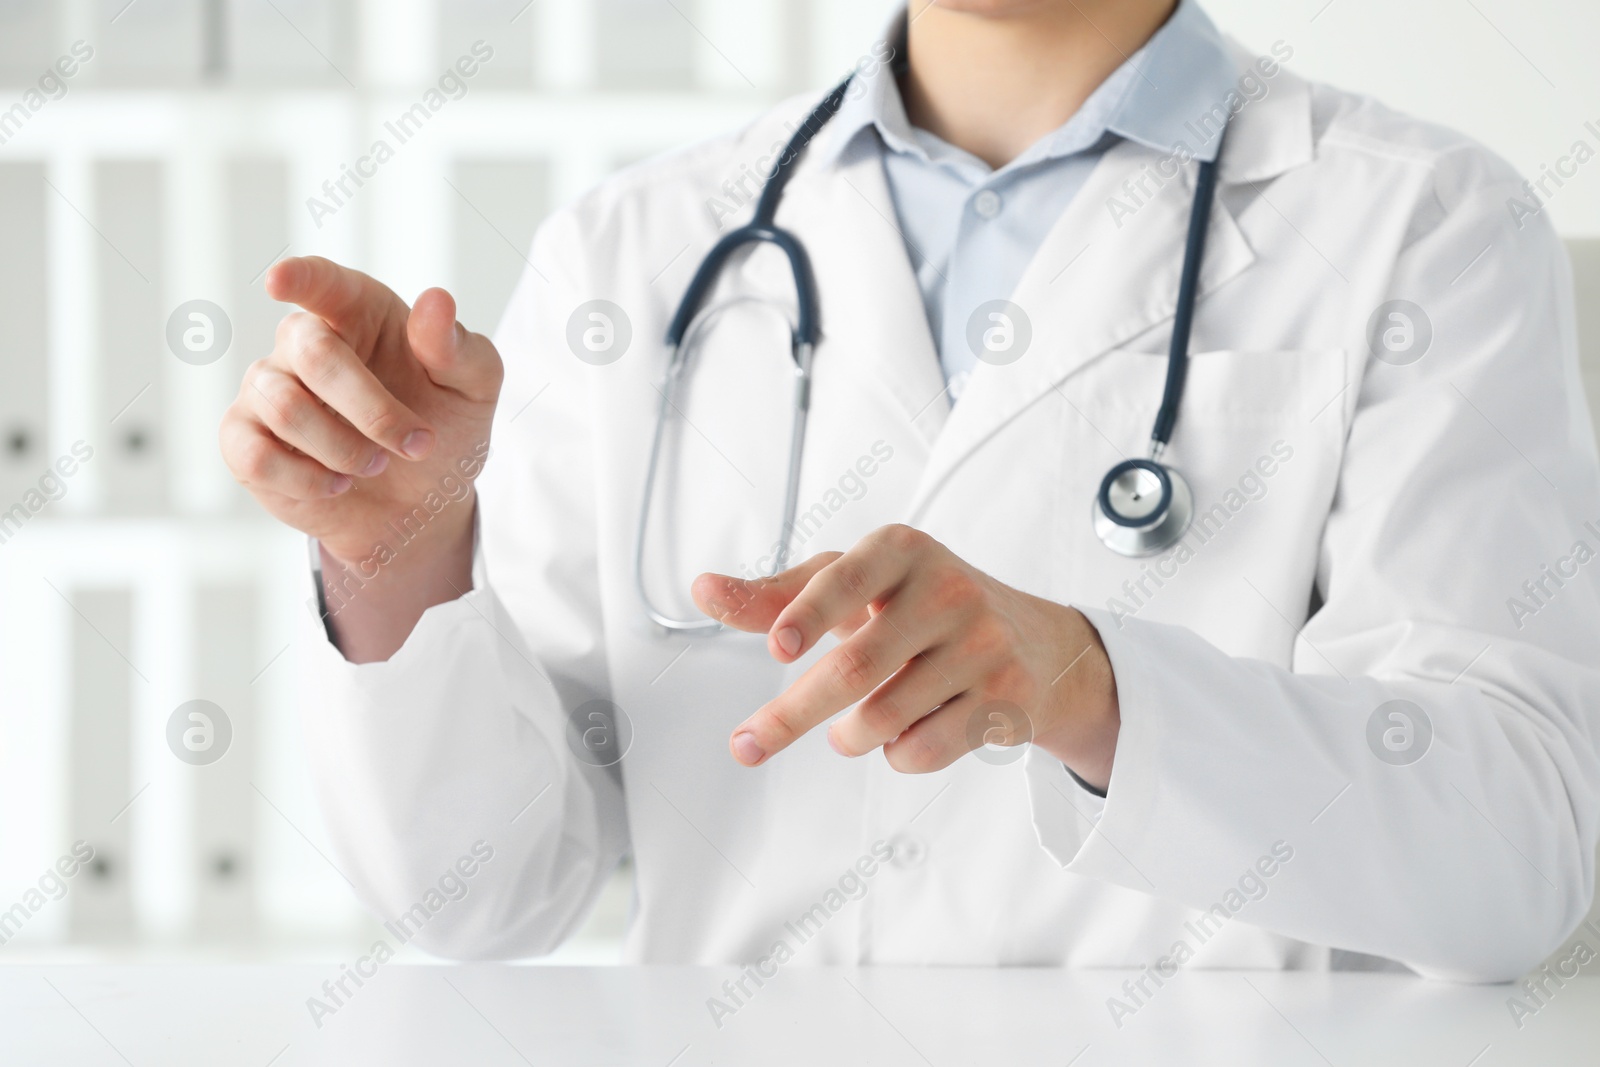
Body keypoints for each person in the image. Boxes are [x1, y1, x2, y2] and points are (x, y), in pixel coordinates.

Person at [220, 0, 1600, 982]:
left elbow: (1510, 860)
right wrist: (396, 553)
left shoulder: (1424, 225)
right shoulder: (633, 249)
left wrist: (1091, 689)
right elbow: (488, 896)